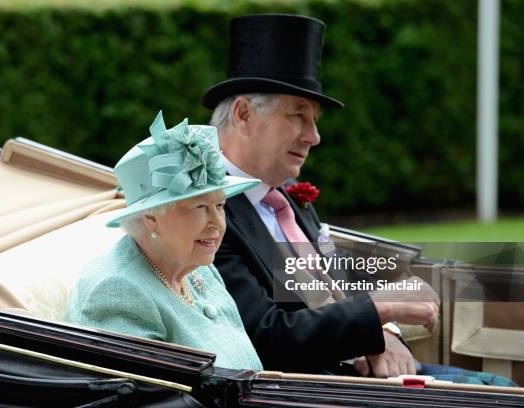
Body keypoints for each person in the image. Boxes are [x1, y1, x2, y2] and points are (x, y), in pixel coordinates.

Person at [202, 14, 517, 386]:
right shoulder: (206, 211)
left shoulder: (285, 201)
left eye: (314, 119)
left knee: (505, 389)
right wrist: (379, 311)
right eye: (298, 116)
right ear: (243, 114)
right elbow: (264, 334)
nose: (314, 136)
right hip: (313, 389)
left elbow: (331, 290)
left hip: (351, 372)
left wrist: (387, 332)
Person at [67, 111, 263, 370]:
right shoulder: (119, 292)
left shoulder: (198, 266)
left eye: (220, 205)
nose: (217, 223)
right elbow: (150, 396)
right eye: (200, 207)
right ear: (151, 218)